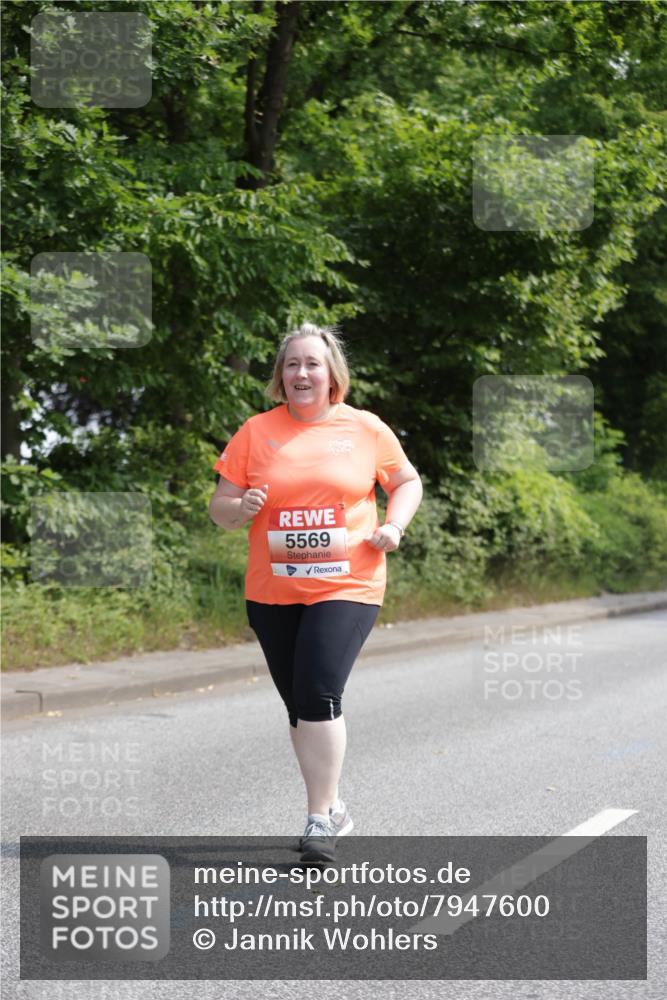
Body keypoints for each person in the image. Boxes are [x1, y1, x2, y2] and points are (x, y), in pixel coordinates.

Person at [208, 322, 423, 862]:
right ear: (281, 376)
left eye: (312, 364)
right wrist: (242, 510)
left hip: (349, 581)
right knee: (299, 706)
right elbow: (220, 509)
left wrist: (394, 526)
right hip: (273, 590)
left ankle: (318, 818)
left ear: (332, 375)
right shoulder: (256, 431)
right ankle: (333, 807)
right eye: (292, 364)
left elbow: (406, 482)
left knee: (320, 693)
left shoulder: (366, 428)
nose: (302, 373)